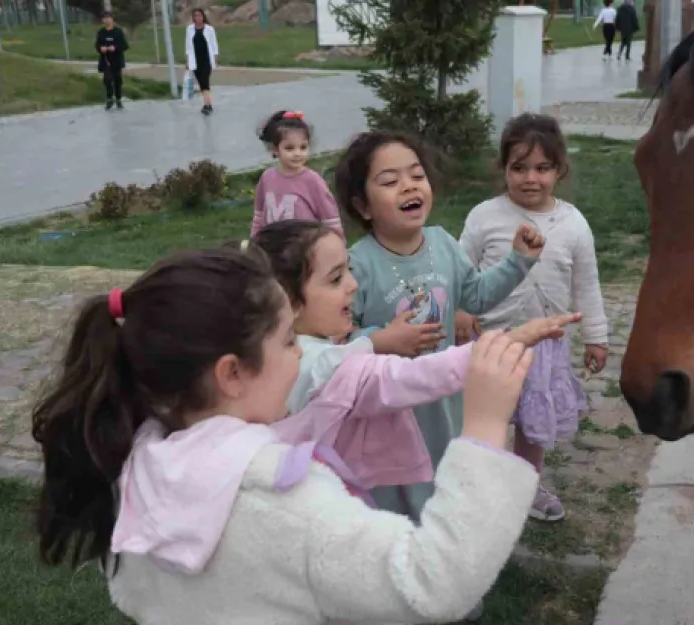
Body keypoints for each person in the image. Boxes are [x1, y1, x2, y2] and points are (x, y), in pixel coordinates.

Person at [31, 246, 549, 624]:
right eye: (287, 341)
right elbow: (434, 583)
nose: (301, 353)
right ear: (232, 373)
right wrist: (483, 430)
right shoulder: (284, 499)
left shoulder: (131, 462)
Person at [252, 220, 580, 496]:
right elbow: (417, 376)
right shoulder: (323, 366)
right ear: (290, 302)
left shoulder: (269, 353)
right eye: (336, 279)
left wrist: (371, 340)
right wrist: (509, 342)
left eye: (347, 273)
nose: (353, 286)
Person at [335, 131, 544, 519]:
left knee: (446, 472)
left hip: (446, 400)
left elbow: (475, 297)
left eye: (416, 175)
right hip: (392, 409)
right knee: (398, 488)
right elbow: (337, 342)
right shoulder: (357, 265)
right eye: (390, 181)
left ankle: (448, 536)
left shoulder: (443, 244)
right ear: (363, 206)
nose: (408, 186)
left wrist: (518, 261)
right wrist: (380, 339)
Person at [457, 114, 609, 523]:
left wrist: (596, 336)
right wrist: (462, 309)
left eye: (543, 168)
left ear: (560, 169)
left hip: (544, 345)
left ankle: (526, 484)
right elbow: (461, 270)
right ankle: (476, 482)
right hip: (492, 341)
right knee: (486, 416)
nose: (530, 178)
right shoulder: (484, 217)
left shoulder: (574, 224)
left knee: (531, 422)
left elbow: (588, 285)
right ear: (503, 168)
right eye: (519, 168)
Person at [250, 111, 343, 238]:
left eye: (303, 147)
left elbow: (330, 220)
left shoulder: (313, 181)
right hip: (272, 249)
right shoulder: (267, 178)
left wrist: (337, 248)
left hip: (305, 250)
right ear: (275, 149)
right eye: (289, 148)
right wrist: (254, 242)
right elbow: (259, 216)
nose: (297, 153)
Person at [185, 8, 219, 115]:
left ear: (203, 16)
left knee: (205, 80)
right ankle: (207, 104)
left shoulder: (209, 29)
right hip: (195, 60)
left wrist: (215, 57)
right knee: (201, 82)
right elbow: (188, 46)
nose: (198, 18)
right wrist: (187, 61)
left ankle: (207, 105)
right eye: (195, 16)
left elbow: (214, 44)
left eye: (199, 15)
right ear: (193, 18)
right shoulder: (189, 29)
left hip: (206, 60)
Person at [95, 11, 129, 111]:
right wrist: (101, 48)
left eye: (108, 18)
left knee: (117, 79)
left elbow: (124, 45)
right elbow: (97, 45)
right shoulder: (101, 33)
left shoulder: (118, 31)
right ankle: (109, 99)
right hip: (106, 60)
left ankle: (118, 99)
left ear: (112, 19)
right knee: (107, 79)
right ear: (102, 20)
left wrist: (115, 47)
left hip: (116, 59)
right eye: (104, 18)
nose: (107, 20)